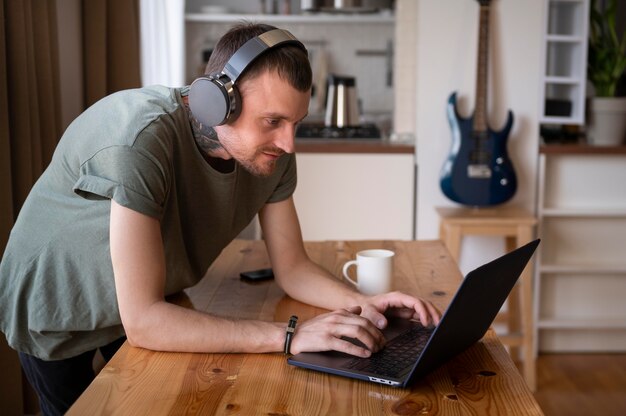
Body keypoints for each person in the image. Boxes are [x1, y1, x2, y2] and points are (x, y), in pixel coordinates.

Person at [0, 22, 440, 415]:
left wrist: (361, 304)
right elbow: (145, 322)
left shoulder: (272, 152)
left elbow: (293, 268)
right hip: (59, 303)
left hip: (144, 299)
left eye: (296, 123)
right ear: (217, 103)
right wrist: (290, 336)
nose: (288, 142)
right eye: (273, 121)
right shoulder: (139, 141)